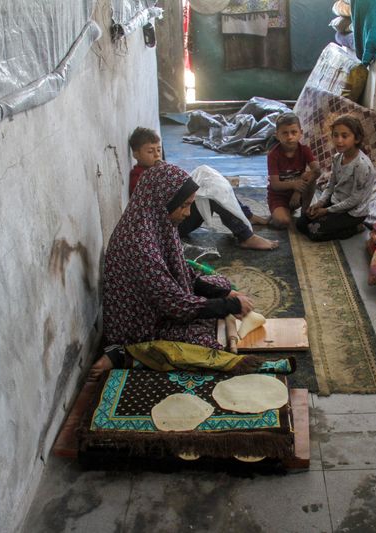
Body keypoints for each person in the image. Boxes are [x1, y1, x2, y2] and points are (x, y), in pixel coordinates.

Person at [92, 163, 256, 375]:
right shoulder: (139, 245)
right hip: (141, 326)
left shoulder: (157, 221)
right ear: (165, 201)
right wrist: (229, 305)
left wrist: (223, 294)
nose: (188, 213)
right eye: (185, 205)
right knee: (205, 346)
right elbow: (176, 306)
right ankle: (124, 354)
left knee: (220, 283)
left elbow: (182, 272)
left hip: (162, 302)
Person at [128, 127, 277, 250]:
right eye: (150, 151)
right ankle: (246, 236)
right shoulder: (140, 179)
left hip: (179, 216)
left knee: (207, 177)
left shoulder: (158, 169)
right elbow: (158, 211)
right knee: (210, 192)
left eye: (158, 150)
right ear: (136, 154)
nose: (156, 155)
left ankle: (246, 216)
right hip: (169, 228)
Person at [296, 114, 373, 241]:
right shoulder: (337, 157)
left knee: (314, 233)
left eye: (344, 136)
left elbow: (355, 200)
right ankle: (330, 220)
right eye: (335, 135)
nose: (339, 140)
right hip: (336, 202)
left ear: (357, 139)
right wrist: (320, 203)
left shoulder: (361, 166)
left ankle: (356, 227)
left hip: (353, 212)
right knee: (301, 224)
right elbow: (330, 185)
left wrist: (326, 211)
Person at [266, 112, 321, 228]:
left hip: (297, 196)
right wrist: (294, 185)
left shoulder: (305, 150)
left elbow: (317, 171)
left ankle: (304, 212)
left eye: (294, 132)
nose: (290, 137)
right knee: (283, 222)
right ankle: (278, 213)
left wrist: (297, 191)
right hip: (278, 196)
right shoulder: (273, 155)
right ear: (277, 135)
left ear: (300, 133)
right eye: (285, 133)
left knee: (310, 175)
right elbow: (275, 185)